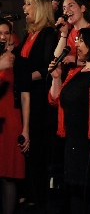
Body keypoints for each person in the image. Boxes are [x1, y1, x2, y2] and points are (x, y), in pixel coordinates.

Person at [48, 27, 90, 214]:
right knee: (75, 193)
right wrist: (56, 78)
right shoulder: (75, 71)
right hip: (73, 141)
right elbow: (55, 100)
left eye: (81, 41)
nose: (77, 45)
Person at [18, 0, 57, 208]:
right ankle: (30, 195)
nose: (24, 8)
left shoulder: (48, 34)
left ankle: (39, 199)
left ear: (40, 8)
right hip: (25, 97)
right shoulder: (29, 35)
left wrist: (26, 77)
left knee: (38, 152)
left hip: (39, 100)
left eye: (28, 4)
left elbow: (48, 67)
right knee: (28, 150)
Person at [0, 18, 30, 214]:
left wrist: (25, 129)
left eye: (6, 33)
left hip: (11, 120)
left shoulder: (18, 60)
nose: (3, 37)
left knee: (8, 174)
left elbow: (26, 96)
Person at [54, 0, 90, 68]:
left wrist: (77, 61)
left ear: (82, 8)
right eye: (64, 8)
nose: (66, 11)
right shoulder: (70, 32)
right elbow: (57, 57)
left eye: (71, 6)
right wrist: (64, 33)